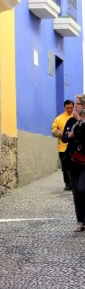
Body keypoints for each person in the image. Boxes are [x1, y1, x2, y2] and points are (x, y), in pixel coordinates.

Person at [62, 95, 85, 232]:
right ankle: (80, 221)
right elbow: (64, 138)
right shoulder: (71, 121)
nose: (75, 107)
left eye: (77, 104)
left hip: (84, 162)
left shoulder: (78, 120)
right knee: (76, 192)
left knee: (83, 189)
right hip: (71, 161)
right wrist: (67, 136)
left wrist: (80, 121)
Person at [52, 99, 75, 190]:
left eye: (71, 108)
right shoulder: (58, 118)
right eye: (67, 108)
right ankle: (67, 184)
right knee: (65, 167)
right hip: (62, 147)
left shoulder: (76, 117)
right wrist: (58, 133)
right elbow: (53, 130)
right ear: (64, 107)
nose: (69, 109)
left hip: (73, 147)